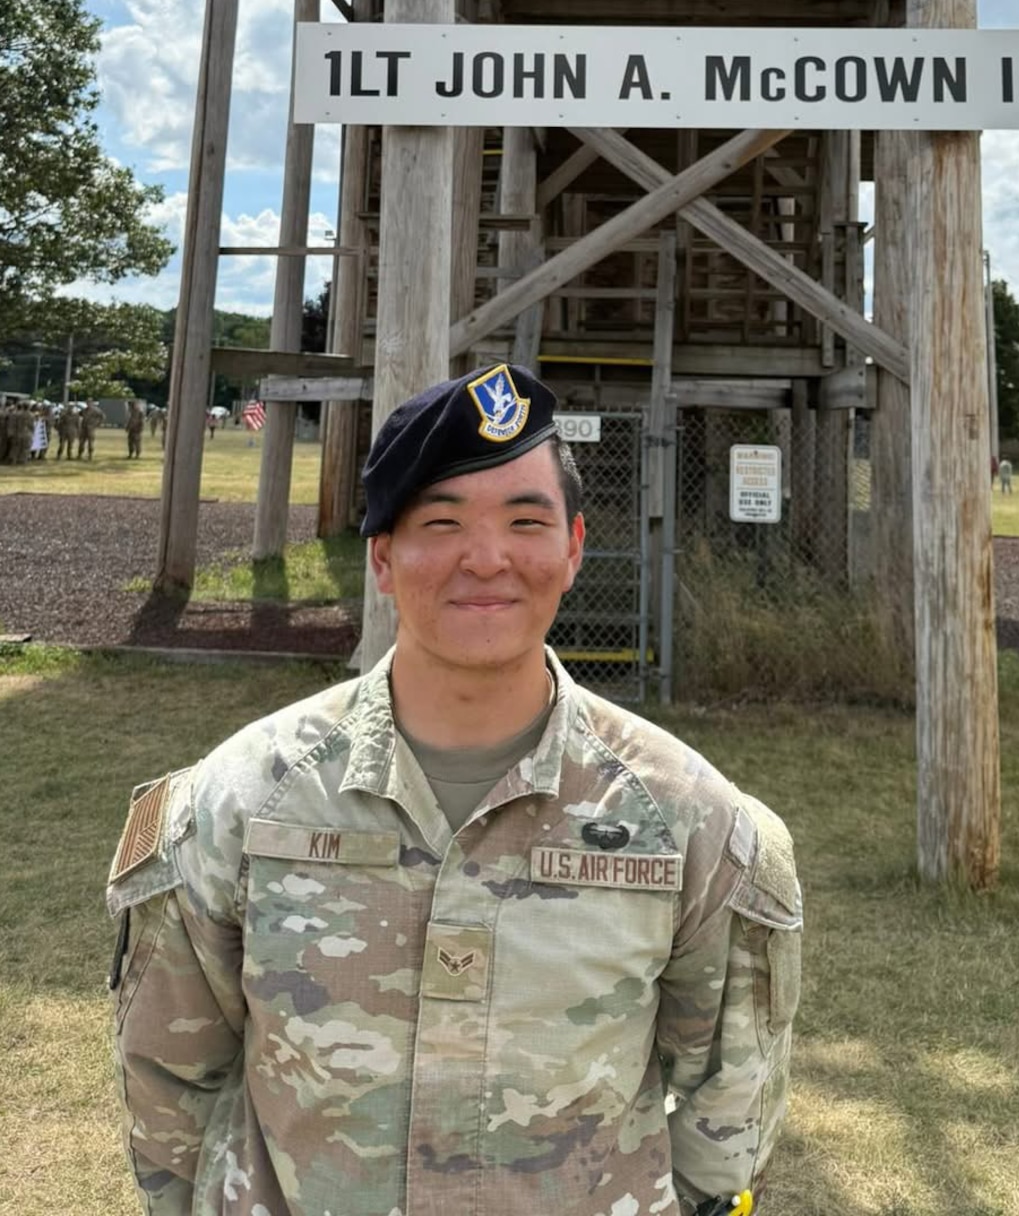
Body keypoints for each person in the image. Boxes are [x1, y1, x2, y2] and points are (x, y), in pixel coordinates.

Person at [107, 362, 801, 1216]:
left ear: (574, 549)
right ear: (385, 559)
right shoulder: (242, 799)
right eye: (441, 521)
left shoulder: (688, 819)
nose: (486, 559)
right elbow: (171, 1075)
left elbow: (727, 1100)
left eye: (524, 521)